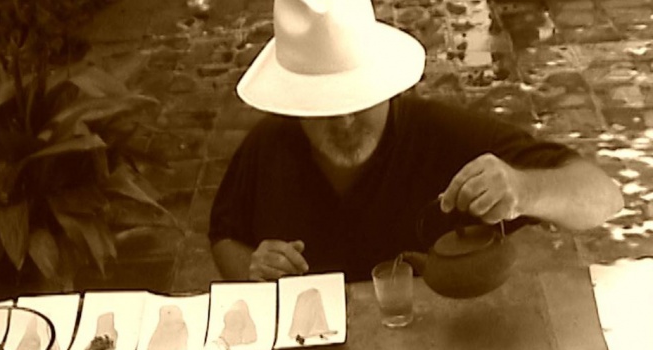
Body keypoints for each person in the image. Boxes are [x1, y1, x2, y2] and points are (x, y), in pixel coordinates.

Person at [208, 0, 623, 282]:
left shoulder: (443, 133)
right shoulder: (267, 146)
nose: (346, 120)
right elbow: (225, 235)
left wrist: (524, 189)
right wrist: (253, 268)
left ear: (386, 85)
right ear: (294, 105)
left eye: (358, 98)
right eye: (323, 107)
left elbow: (603, 196)